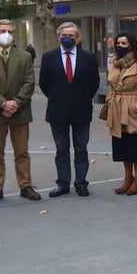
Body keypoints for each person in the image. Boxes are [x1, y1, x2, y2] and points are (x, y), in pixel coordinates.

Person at [0, 19, 41, 204]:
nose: (6, 34)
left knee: (22, 152)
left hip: (20, 111)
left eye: (10, 31)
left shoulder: (25, 56)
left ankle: (25, 185)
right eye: (3, 31)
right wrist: (2, 104)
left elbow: (29, 83)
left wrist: (15, 103)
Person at [39, 22, 100, 197]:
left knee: (81, 149)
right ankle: (63, 184)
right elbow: (44, 84)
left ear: (77, 37)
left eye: (71, 35)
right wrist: (58, 97)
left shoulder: (88, 57)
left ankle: (81, 183)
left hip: (81, 110)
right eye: (64, 35)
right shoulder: (48, 57)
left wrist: (82, 98)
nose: (68, 38)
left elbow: (94, 83)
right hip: (57, 110)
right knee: (61, 149)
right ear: (58, 37)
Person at [103, 33, 137, 195]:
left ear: (131, 45)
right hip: (116, 108)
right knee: (122, 146)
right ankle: (127, 178)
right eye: (118, 42)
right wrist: (108, 100)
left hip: (133, 107)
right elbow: (112, 85)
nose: (120, 45)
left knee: (135, 145)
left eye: (124, 43)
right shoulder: (115, 63)